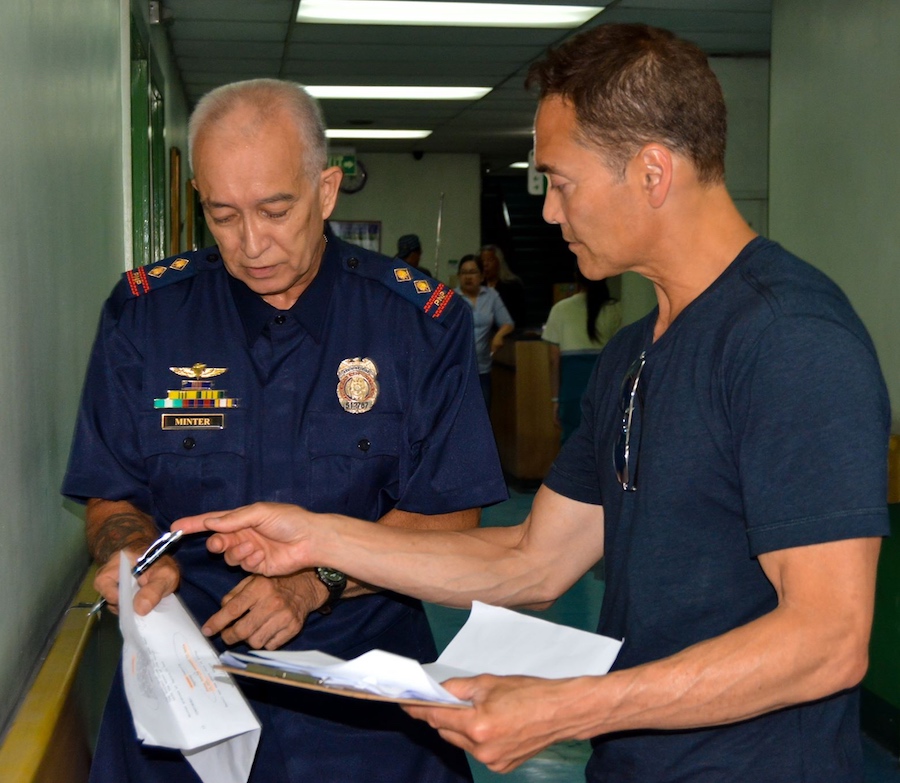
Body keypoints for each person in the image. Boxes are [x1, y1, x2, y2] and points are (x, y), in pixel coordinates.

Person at [173, 25, 889, 783]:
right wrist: (317, 538)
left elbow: (828, 640)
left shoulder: (787, 339)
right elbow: (532, 559)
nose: (548, 213)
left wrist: (567, 709)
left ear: (652, 172)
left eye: (561, 182)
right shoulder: (636, 350)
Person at [61, 78, 508, 782]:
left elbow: (451, 515)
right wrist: (134, 559)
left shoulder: (416, 324)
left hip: (365, 709)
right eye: (223, 215)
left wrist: (316, 578)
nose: (251, 243)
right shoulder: (145, 317)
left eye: (275, 210)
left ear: (325, 191)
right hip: (183, 700)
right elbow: (112, 496)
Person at [543, 270, 622, 442]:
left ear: (576, 278)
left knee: (572, 441)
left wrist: (555, 399)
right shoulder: (615, 308)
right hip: (605, 384)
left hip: (571, 385)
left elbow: (554, 360)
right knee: (604, 441)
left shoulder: (560, 309)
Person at [455, 254, 514, 408]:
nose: (468, 277)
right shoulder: (450, 298)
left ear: (481, 276)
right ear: (459, 276)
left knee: (483, 412)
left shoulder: (491, 296)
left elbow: (508, 323)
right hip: (457, 370)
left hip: (482, 369)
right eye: (464, 272)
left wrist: (499, 335)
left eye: (472, 272)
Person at [478, 244, 526, 326]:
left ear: (499, 262)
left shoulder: (513, 285)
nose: (485, 264)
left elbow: (519, 317)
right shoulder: (478, 286)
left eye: (490, 260)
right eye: (482, 261)